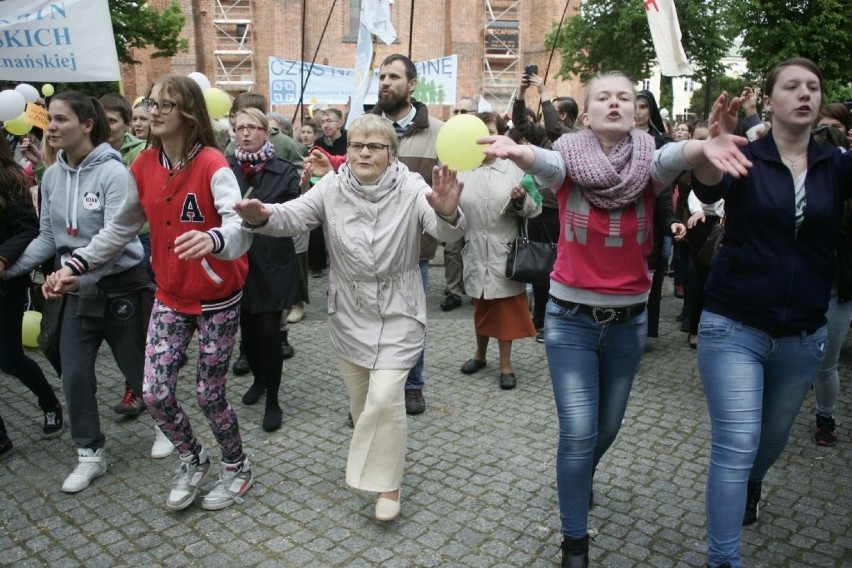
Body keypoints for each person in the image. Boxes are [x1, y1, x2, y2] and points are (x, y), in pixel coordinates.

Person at [479, 71, 749, 567]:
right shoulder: (569, 159)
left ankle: (579, 474)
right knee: (579, 431)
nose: (615, 103)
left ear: (635, 109)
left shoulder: (649, 161)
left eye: (624, 97)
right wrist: (518, 152)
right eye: (603, 97)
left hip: (628, 322)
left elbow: (675, 157)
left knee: (607, 426)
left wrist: (702, 148)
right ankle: (574, 541)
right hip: (570, 318)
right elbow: (548, 162)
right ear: (586, 113)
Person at [233, 113, 466, 522]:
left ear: (392, 154)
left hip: (399, 309)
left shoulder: (412, 186)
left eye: (375, 146)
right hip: (349, 311)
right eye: (357, 144)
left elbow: (442, 231)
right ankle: (383, 461)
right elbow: (293, 216)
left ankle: (387, 485)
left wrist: (447, 213)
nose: (364, 152)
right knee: (362, 404)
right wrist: (261, 216)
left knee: (385, 399)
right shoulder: (333, 187)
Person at [45, 75, 255, 511]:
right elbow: (119, 229)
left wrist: (214, 240)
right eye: (151, 103)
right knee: (155, 391)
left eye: (165, 105)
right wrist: (76, 265)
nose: (154, 112)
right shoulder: (142, 166)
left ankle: (236, 466)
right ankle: (192, 458)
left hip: (217, 298)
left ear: (189, 114)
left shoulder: (214, 163)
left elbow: (240, 228)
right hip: (169, 295)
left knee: (208, 393)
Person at [689, 58, 852, 568]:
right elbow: (711, 186)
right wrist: (714, 147)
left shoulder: (837, 164)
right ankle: (723, 559)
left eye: (814, 87)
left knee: (771, 441)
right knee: (737, 442)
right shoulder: (747, 156)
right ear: (770, 99)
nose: (805, 94)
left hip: (803, 331)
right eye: (792, 86)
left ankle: (752, 482)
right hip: (733, 322)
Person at [3, 91, 154, 493]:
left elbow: (116, 240)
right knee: (74, 374)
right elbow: (48, 238)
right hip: (72, 286)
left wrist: (76, 271)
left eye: (61, 119)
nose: (50, 127)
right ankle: (89, 452)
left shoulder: (114, 173)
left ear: (87, 125)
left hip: (120, 284)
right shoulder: (51, 176)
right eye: (49, 119)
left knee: (136, 367)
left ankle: (165, 425)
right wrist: (9, 269)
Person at [370, 53, 445, 415]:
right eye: (382, 76)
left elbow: (448, 191)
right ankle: (376, 386)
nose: (385, 82)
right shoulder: (365, 128)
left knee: (410, 321)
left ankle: (413, 385)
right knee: (372, 321)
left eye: (394, 77)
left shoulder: (440, 133)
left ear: (411, 85)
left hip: (415, 249)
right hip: (369, 248)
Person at [228, 108, 301, 431]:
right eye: (240, 127)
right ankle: (258, 380)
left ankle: (273, 398)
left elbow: (291, 213)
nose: (245, 133)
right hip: (237, 262)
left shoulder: (283, 171)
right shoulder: (225, 169)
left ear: (266, 133)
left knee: (270, 332)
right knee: (248, 334)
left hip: (272, 261)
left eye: (252, 127)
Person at [456, 112, 540, 389]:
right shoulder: (461, 168)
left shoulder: (515, 168)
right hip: (475, 251)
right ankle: (479, 355)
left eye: (490, 132)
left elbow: (535, 208)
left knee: (505, 310)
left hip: (505, 253)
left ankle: (506, 365)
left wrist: (521, 201)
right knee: (481, 304)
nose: (484, 140)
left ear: (501, 135)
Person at [0, 135, 64, 453]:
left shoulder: (9, 178)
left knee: (10, 359)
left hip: (5, 284)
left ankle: (50, 402)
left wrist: (3, 259)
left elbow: (30, 228)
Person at [440, 96, 476, 313]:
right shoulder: (448, 139)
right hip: (454, 203)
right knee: (452, 250)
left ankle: (474, 290)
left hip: (477, 203)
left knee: (475, 249)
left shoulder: (481, 139)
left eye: (465, 111)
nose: (460, 115)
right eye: (457, 111)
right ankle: (453, 291)